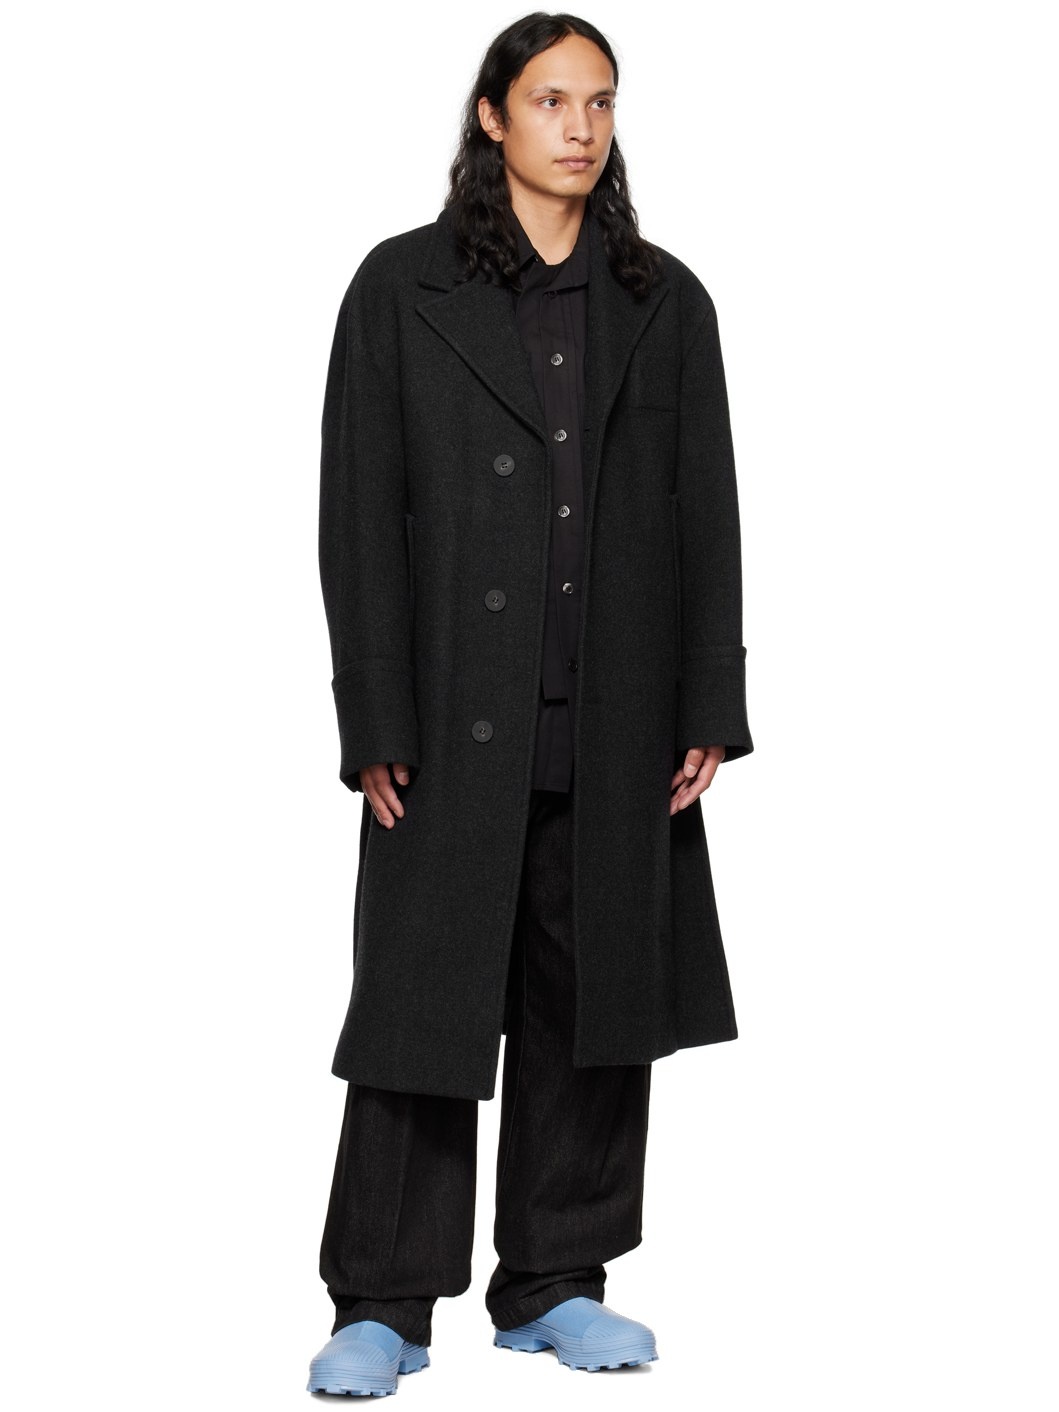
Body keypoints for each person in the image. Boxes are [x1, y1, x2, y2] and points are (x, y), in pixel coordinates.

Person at [307, 11, 754, 1396]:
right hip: (450, 722)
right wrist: (375, 721)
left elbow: (707, 512)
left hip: (616, 721)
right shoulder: (403, 289)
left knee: (595, 1004)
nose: (580, 126)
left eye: (600, 101)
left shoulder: (664, 300)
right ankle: (383, 1302)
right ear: (492, 117)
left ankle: (557, 1281)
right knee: (421, 1011)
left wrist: (707, 698)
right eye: (552, 99)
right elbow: (357, 517)